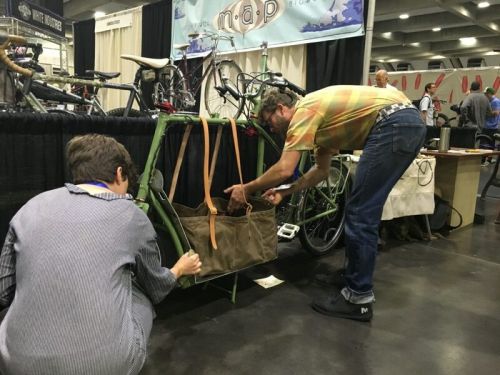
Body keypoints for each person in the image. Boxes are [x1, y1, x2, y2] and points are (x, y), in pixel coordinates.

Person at [0, 134, 202, 375]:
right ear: (119, 174)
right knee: (139, 291)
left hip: (14, 363)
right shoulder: (131, 215)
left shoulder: (31, 206)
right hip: (100, 366)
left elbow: (4, 292)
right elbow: (157, 287)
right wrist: (180, 268)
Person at [225, 86, 426, 322]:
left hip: (394, 123)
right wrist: (285, 191)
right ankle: (354, 277)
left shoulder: (304, 111)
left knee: (361, 213)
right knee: (361, 209)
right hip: (404, 123)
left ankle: (358, 299)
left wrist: (246, 189)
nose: (271, 128)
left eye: (269, 121)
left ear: (281, 108)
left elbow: (284, 168)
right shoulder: (323, 122)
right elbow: (321, 171)